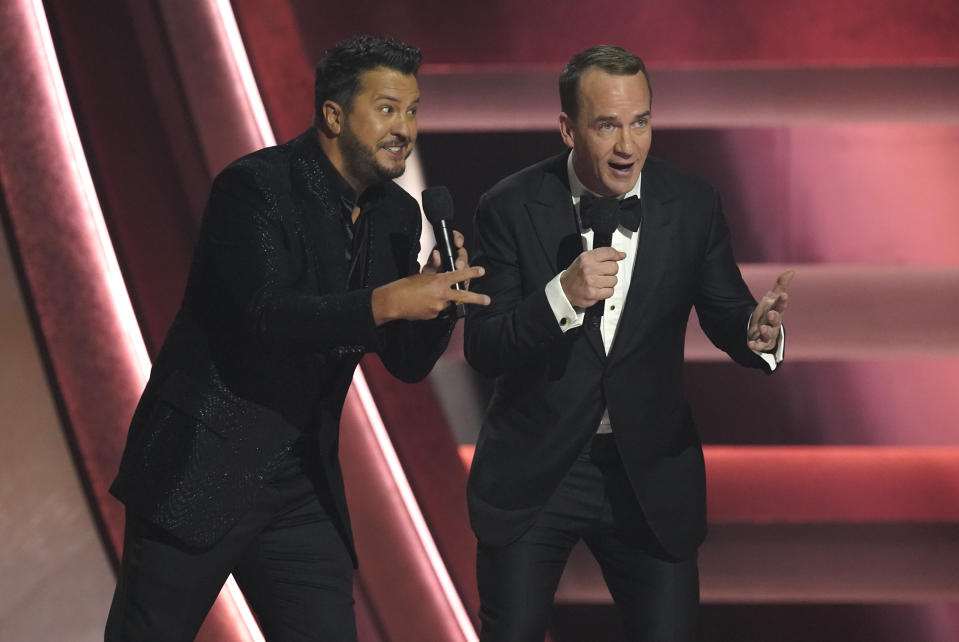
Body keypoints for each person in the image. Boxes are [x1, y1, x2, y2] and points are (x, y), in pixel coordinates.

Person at [105, 35, 488, 642]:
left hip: (302, 485)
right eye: (387, 109)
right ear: (334, 115)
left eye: (413, 111)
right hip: (202, 463)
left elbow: (406, 362)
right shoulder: (254, 188)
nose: (405, 128)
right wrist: (389, 300)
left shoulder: (396, 213)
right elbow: (266, 318)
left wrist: (439, 301)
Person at [464, 45, 791, 641]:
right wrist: (560, 297)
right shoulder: (508, 206)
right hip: (538, 471)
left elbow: (726, 310)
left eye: (640, 121)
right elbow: (484, 346)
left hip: (649, 472)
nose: (628, 145)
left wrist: (755, 333)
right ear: (567, 128)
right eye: (607, 124)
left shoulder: (691, 202)